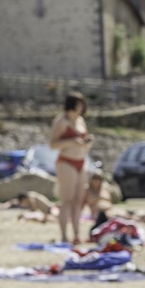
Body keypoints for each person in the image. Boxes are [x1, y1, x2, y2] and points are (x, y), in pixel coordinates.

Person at [48, 91, 93, 244]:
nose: (80, 107)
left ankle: (76, 234)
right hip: (66, 161)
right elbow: (52, 144)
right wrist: (72, 141)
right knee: (67, 199)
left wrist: (86, 143)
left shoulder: (80, 121)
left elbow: (82, 142)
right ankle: (64, 235)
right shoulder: (61, 121)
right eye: (78, 104)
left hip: (81, 160)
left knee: (79, 200)